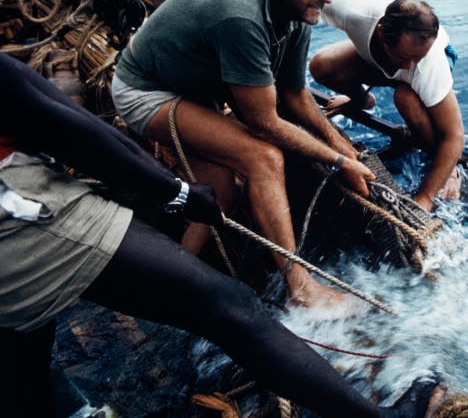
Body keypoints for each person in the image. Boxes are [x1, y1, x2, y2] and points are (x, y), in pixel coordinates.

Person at [0, 52, 445, 418]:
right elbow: (63, 129)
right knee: (228, 306)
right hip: (15, 211)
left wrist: (169, 187)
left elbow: (45, 101)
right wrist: (173, 193)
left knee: (23, 344)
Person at [111, 0, 375, 308]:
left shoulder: (296, 12)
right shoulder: (241, 16)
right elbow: (263, 122)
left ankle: (173, 278)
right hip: (146, 90)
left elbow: (296, 96)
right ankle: (299, 287)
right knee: (263, 157)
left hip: (197, 90)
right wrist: (335, 161)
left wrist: (345, 150)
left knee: (218, 189)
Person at [309, 0, 465, 212]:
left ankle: (449, 168)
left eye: (416, 59)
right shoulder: (355, 10)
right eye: (405, 57)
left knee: (406, 97)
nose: (411, 66)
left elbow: (455, 135)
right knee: (321, 64)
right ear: (381, 32)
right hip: (375, 61)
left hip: (427, 71)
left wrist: (425, 197)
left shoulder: (428, 64)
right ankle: (361, 99)